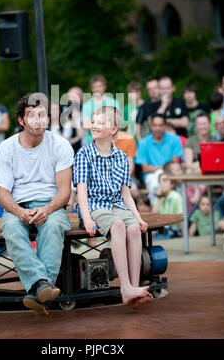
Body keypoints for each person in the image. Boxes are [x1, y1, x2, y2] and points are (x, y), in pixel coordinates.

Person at [0, 93, 74, 316]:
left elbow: (64, 191)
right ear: (21, 120)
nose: (38, 120)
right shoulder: (7, 147)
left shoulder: (60, 145)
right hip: (18, 204)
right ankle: (42, 285)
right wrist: (18, 211)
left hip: (51, 203)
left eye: (42, 115)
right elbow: (3, 194)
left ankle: (38, 289)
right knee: (11, 227)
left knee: (53, 225)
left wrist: (47, 209)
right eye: (32, 115)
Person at [73, 105, 153, 309]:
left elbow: (125, 194)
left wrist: (138, 217)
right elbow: (81, 191)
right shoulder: (84, 154)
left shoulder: (121, 157)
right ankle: (125, 287)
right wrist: (87, 218)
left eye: (101, 123)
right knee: (117, 226)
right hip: (93, 206)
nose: (95, 125)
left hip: (116, 204)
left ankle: (135, 288)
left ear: (113, 129)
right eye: (94, 121)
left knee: (134, 228)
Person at [135, 114, 185, 205]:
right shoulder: (144, 143)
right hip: (152, 175)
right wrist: (164, 167)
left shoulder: (174, 139)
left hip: (170, 173)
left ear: (165, 126)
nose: (157, 128)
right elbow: (145, 169)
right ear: (151, 126)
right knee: (155, 185)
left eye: (160, 125)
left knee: (179, 185)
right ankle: (158, 214)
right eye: (155, 125)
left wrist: (156, 168)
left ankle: (180, 214)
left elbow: (175, 163)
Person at [81, 75, 121, 144]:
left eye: (99, 86)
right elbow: (86, 125)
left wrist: (95, 125)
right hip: (91, 142)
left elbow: (118, 122)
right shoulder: (87, 105)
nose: (96, 89)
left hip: (111, 141)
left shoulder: (113, 102)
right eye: (94, 87)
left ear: (104, 87)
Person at [153, 173, 183, 238]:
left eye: (164, 181)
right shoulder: (160, 198)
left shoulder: (175, 196)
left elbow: (181, 219)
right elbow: (153, 216)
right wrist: (158, 198)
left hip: (173, 230)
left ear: (172, 184)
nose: (161, 184)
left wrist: (184, 236)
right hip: (162, 230)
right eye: (159, 182)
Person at [115, 130, 139, 198]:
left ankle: (136, 208)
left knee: (133, 189)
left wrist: (120, 181)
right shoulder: (100, 140)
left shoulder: (127, 139)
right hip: (105, 178)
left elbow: (130, 166)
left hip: (126, 178)